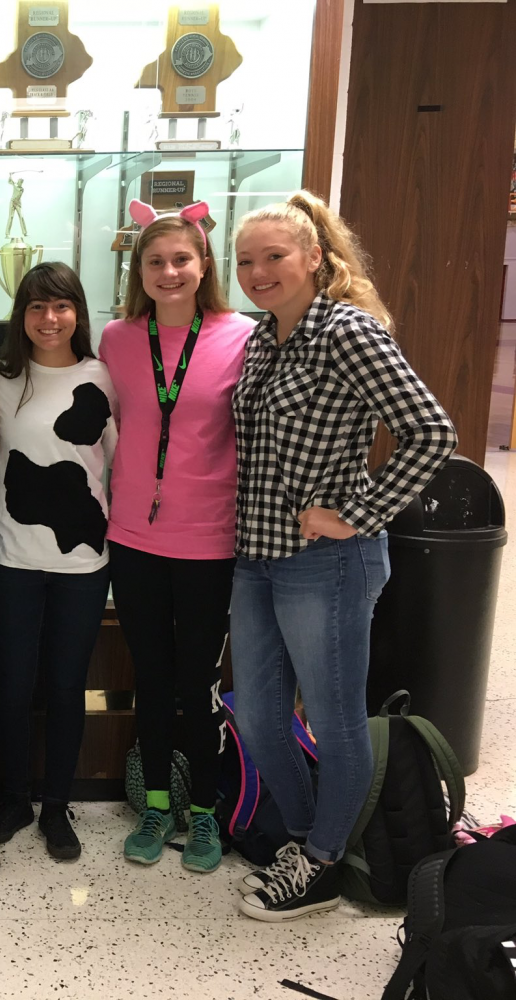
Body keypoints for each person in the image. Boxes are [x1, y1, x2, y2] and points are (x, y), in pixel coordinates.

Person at [229, 191, 456, 920]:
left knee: (333, 717)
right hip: (255, 556)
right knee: (261, 716)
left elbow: (430, 431)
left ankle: (323, 861)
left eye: (273, 257)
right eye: (245, 262)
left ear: (315, 260)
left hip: (324, 564)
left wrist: (352, 516)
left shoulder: (347, 333)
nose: (258, 272)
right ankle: (304, 840)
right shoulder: (263, 337)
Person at [99, 200, 255, 874]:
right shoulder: (115, 339)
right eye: (155, 261)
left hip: (208, 541)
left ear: (202, 266)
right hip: (132, 538)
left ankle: (203, 816)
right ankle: (156, 804)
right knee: (152, 680)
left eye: (180, 260)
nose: (168, 272)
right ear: (139, 269)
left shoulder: (240, 335)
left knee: (197, 684)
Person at [0, 262, 117, 861]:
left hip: (84, 560)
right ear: (21, 317)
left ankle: (57, 807)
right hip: (11, 554)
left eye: (61, 306)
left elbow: (113, 463)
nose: (49, 318)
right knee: (10, 684)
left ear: (78, 314)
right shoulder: (1, 379)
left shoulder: (103, 377)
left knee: (65, 685)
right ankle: (14, 798)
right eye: (36, 307)